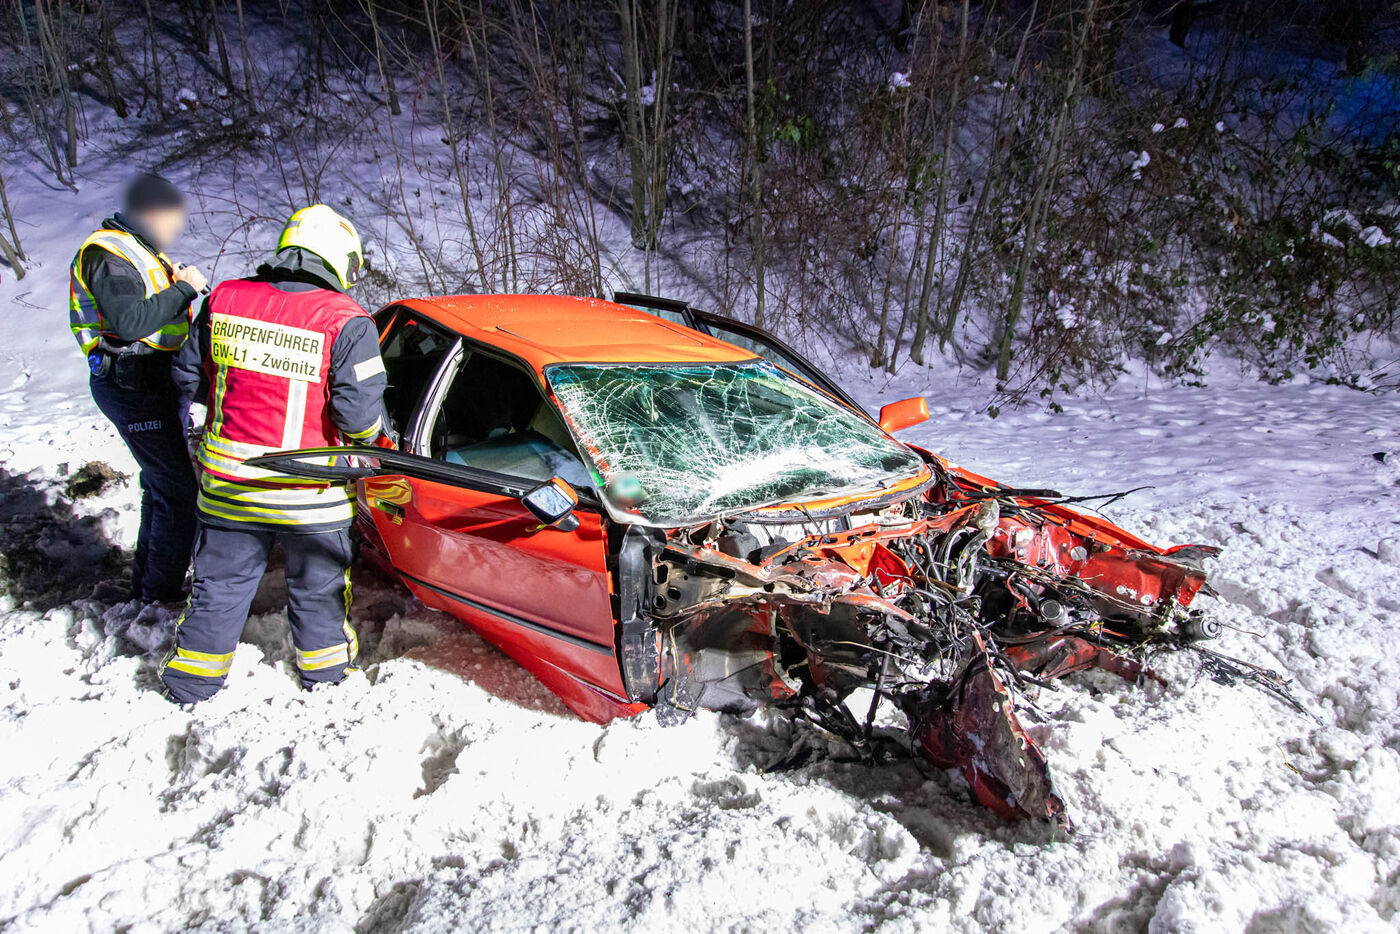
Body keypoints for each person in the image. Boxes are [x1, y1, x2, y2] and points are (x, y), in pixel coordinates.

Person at [162, 205, 389, 704]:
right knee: (318, 591)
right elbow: (359, 421)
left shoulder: (224, 299)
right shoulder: (348, 321)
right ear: (339, 259)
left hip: (231, 483)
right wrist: (378, 436)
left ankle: (190, 685)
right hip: (310, 494)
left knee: (219, 588)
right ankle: (326, 682)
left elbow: (185, 377)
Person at [69, 173, 207, 605]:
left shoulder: (140, 251)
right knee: (178, 491)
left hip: (150, 381)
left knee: (161, 486)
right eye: (172, 219)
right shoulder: (109, 253)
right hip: (133, 384)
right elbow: (130, 322)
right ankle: (160, 593)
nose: (176, 229)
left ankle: (148, 585)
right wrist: (184, 288)